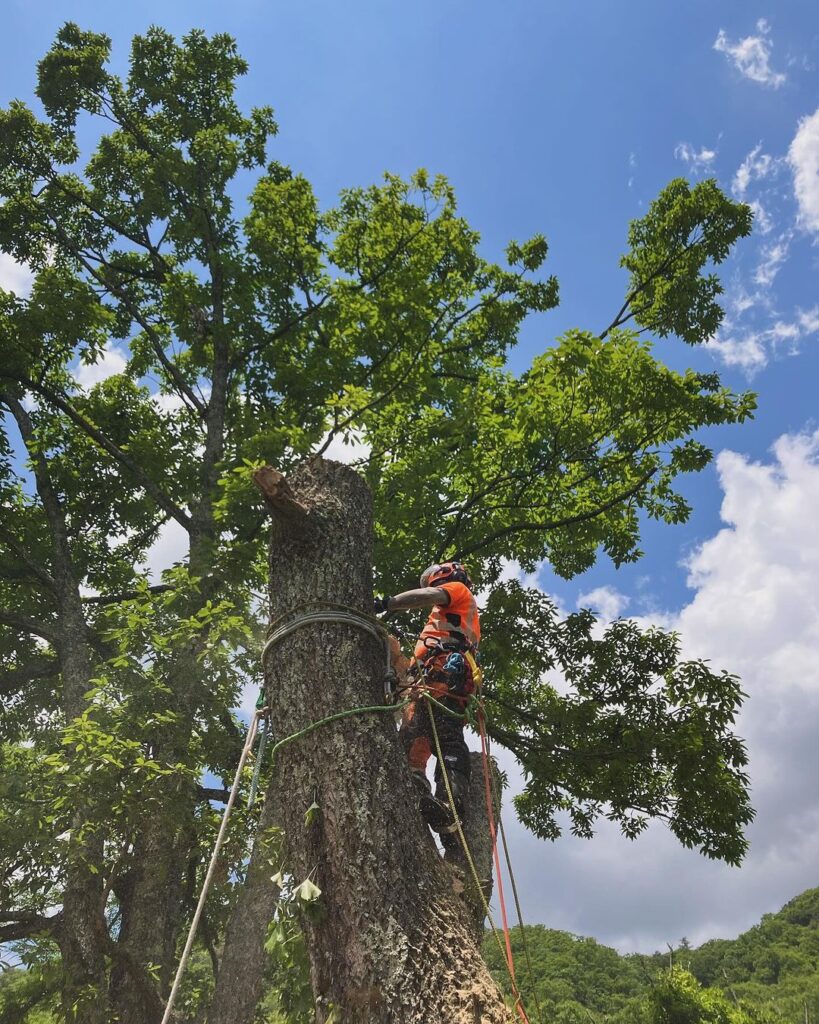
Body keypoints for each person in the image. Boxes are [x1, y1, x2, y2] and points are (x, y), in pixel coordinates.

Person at [374, 561, 481, 840]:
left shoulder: (458, 591)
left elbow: (428, 596)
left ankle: (451, 807)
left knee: (446, 738)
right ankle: (416, 787)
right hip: (425, 683)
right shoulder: (442, 621)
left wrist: (388, 603)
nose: (431, 587)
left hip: (445, 675)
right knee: (412, 740)